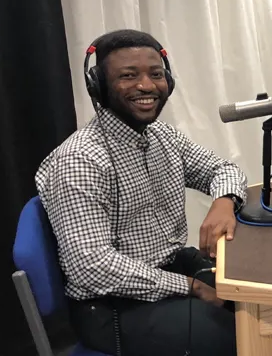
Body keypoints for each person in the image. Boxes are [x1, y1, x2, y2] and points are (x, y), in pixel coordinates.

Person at [35, 29, 247, 356]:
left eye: (156, 74)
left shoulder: (162, 136)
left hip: (169, 266)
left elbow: (223, 169)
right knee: (237, 335)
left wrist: (223, 202)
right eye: (128, 76)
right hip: (111, 305)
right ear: (99, 87)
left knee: (264, 304)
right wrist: (190, 287)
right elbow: (91, 266)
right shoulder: (80, 161)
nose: (147, 86)